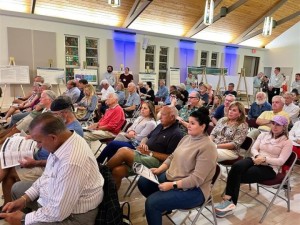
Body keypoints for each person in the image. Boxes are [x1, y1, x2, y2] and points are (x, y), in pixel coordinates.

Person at [0, 113, 104, 225]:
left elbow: (58, 213)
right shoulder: (63, 141)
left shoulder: (71, 162)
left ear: (53, 137)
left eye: (39, 142)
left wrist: (24, 219)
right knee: (17, 189)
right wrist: (24, 199)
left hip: (75, 216)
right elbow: (46, 176)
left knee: (30, 221)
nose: (37, 146)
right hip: (58, 200)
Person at [137, 108, 217, 225]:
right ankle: (164, 206)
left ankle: (159, 205)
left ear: (203, 126)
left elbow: (196, 179)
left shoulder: (208, 147)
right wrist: (160, 169)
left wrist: (172, 185)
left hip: (195, 190)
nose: (188, 125)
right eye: (188, 122)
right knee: (143, 182)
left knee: (152, 203)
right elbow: (172, 156)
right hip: (175, 178)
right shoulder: (186, 138)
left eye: (192, 123)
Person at [0, 96, 84, 208]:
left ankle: (9, 204)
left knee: (9, 169)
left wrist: (34, 163)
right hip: (37, 155)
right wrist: (35, 137)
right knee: (5, 160)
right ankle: (9, 202)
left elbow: (58, 162)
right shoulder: (63, 125)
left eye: (55, 115)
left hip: (42, 164)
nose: (54, 118)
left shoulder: (72, 132)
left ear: (64, 114)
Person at [215, 115, 292, 217]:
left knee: (240, 175)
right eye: (273, 123)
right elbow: (253, 149)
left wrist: (265, 159)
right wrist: (258, 156)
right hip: (255, 159)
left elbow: (281, 161)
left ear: (284, 127)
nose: (275, 126)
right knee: (236, 166)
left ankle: (230, 202)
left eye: (278, 125)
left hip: (269, 167)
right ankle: (229, 200)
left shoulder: (287, 142)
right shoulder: (263, 135)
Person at [106, 105, 183, 189]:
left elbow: (170, 158)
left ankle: (101, 173)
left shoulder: (176, 134)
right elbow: (146, 137)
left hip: (156, 162)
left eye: (163, 114)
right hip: (144, 154)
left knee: (123, 151)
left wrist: (150, 153)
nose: (160, 116)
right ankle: (111, 198)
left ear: (172, 117)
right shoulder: (160, 125)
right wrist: (143, 143)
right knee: (117, 171)